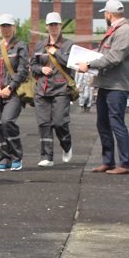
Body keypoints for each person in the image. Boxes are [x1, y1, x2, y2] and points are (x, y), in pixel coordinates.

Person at [77, 0, 129, 175]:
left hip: (117, 86)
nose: (105, 16)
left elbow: (113, 58)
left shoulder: (125, 32)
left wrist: (88, 65)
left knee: (116, 123)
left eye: (105, 14)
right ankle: (108, 161)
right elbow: (105, 54)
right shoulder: (116, 31)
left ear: (109, 15)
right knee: (102, 123)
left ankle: (125, 164)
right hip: (106, 84)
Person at [0, 13, 29, 171]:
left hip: (13, 93)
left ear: (14, 28)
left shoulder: (20, 46)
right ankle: (4, 158)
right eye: (3, 26)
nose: (6, 29)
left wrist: (10, 87)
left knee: (7, 122)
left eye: (8, 26)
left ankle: (17, 156)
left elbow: (23, 69)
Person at [30, 12, 75, 167]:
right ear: (46, 26)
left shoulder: (69, 44)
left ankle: (66, 144)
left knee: (59, 122)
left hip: (61, 89)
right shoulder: (40, 45)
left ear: (60, 26)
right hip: (42, 89)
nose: (53, 27)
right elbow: (32, 65)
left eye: (56, 24)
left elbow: (71, 63)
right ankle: (47, 156)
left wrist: (57, 52)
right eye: (51, 25)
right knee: (44, 123)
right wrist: (41, 69)